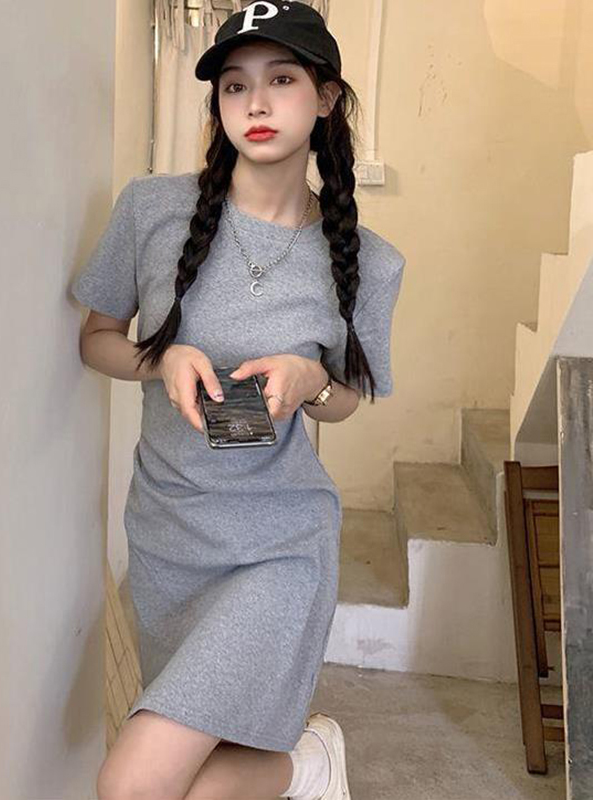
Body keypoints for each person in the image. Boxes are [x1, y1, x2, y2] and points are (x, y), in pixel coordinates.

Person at [71, 2, 405, 797]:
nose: (255, 103)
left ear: (326, 97)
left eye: (281, 80)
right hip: (170, 533)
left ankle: (306, 761)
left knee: (131, 785)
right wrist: (162, 357)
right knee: (203, 785)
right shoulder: (152, 209)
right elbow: (95, 339)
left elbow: (347, 399)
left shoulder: (369, 261)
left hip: (280, 544)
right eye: (234, 85)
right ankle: (309, 765)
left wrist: (310, 380)